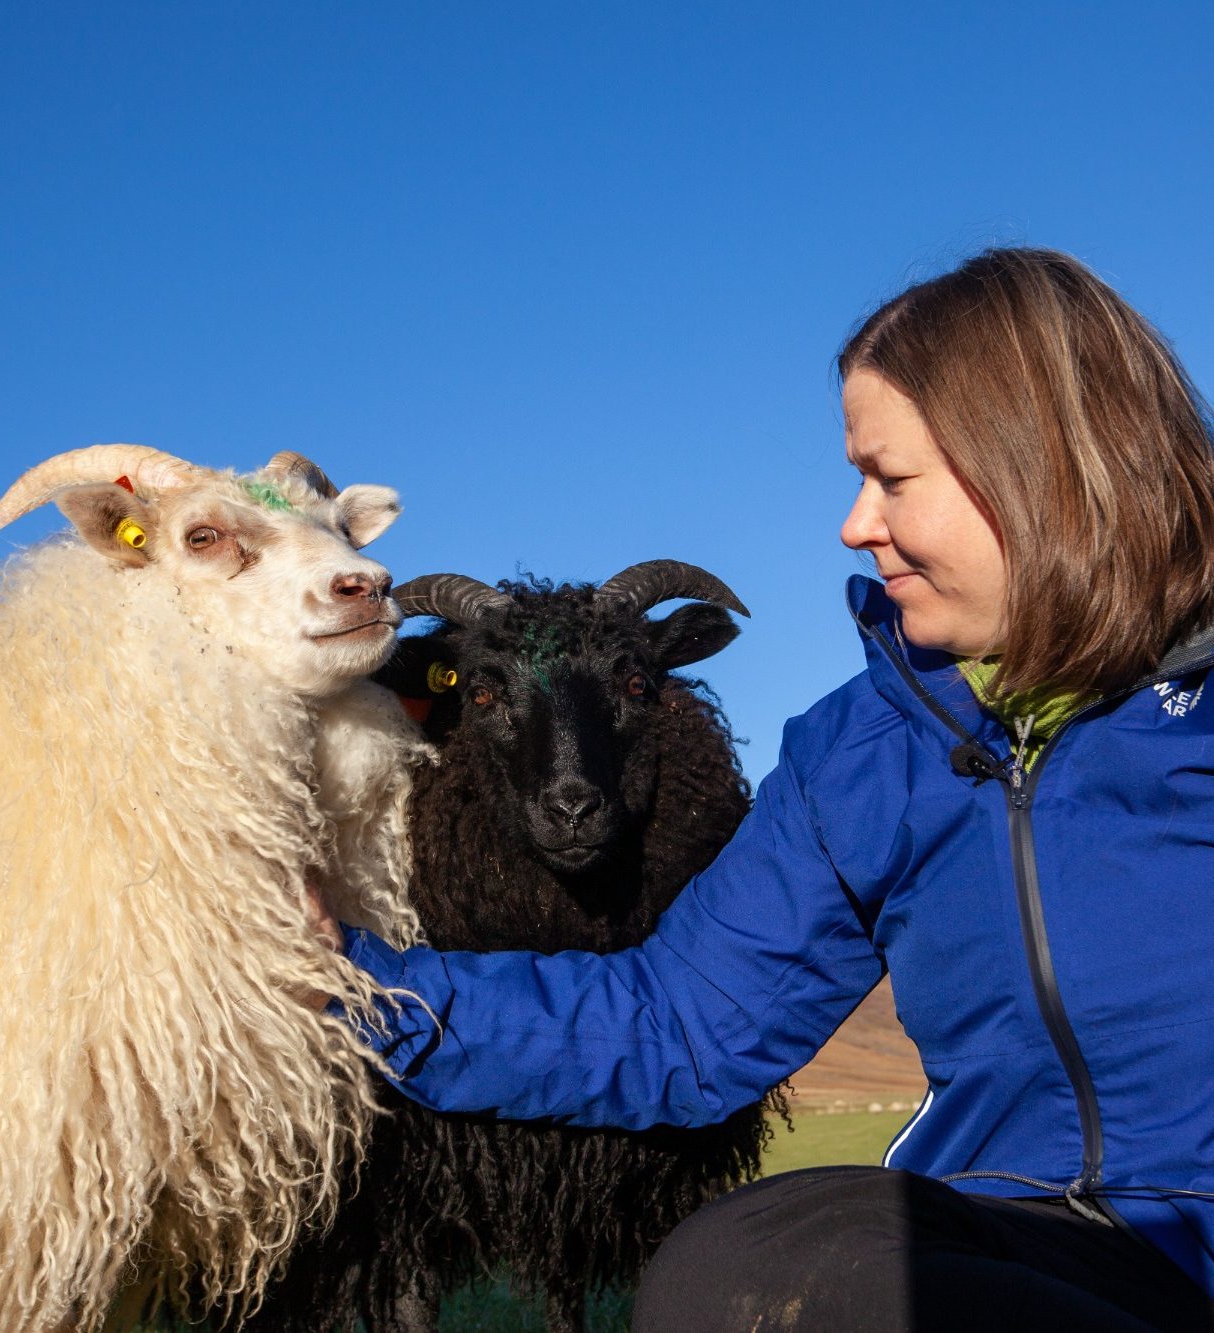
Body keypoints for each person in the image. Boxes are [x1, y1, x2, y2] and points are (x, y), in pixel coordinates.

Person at [335, 248, 1214, 1330]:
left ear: (1035, 466)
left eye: (892, 479)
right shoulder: (865, 749)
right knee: (733, 1265)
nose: (854, 524)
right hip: (1018, 1238)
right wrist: (340, 983)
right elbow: (683, 1024)